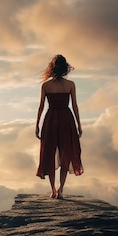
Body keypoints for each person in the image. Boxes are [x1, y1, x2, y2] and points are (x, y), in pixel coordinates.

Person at [35, 54, 84, 199]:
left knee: (49, 153)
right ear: (65, 68)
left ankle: (53, 190)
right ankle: (61, 189)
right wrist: (78, 124)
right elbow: (74, 106)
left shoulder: (46, 85)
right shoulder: (70, 85)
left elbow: (41, 107)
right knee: (65, 154)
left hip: (50, 119)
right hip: (66, 119)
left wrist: (37, 125)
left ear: (52, 68)